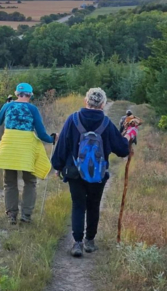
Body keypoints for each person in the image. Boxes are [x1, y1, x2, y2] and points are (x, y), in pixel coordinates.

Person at [51, 88, 134, 257]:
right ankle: (90, 241)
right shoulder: (107, 123)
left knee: (78, 205)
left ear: (85, 101)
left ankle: (77, 243)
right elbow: (122, 150)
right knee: (93, 205)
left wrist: (57, 167)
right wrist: (128, 137)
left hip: (74, 172)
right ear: (103, 104)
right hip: (98, 174)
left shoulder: (72, 120)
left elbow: (62, 147)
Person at [0, 83, 56, 225]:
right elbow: (41, 134)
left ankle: (11, 215)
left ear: (17, 94)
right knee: (30, 182)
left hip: (9, 148)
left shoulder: (8, 106)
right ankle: (26, 215)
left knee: (10, 183)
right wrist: (52, 138)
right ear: (30, 95)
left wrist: (6, 105)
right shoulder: (32, 109)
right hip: (26, 149)